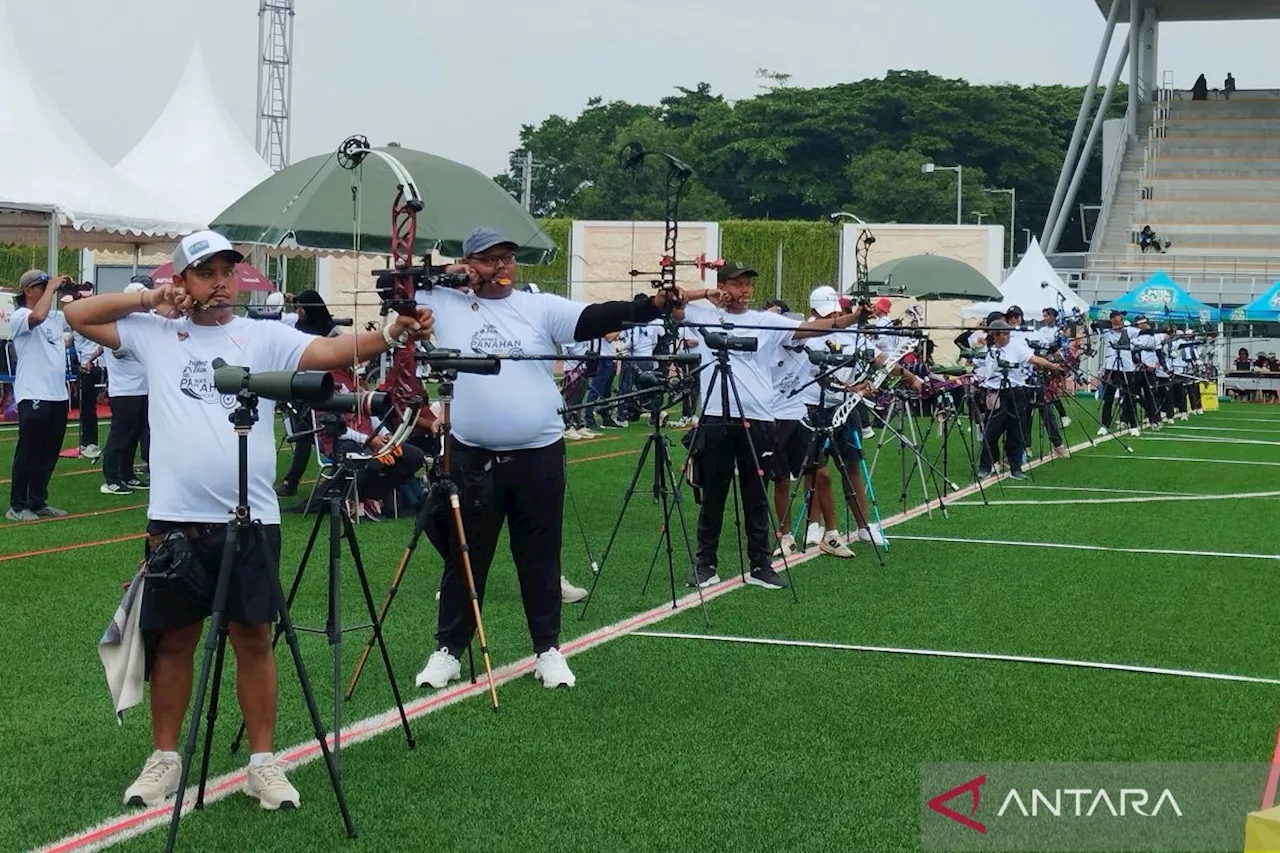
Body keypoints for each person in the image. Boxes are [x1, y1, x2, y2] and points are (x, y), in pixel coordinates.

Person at [64, 230, 434, 811]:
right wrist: (148, 300)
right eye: (206, 273)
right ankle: (165, 758)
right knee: (174, 643)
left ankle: (263, 763)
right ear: (182, 281)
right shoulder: (154, 333)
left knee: (255, 638)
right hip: (175, 520)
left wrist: (390, 332)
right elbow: (77, 313)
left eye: (227, 273)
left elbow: (330, 353)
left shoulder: (259, 336)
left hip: (253, 514)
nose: (221, 284)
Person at [411, 227, 683, 692]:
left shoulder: (538, 306)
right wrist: (450, 274)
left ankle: (548, 650)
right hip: (472, 455)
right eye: (490, 259)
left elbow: (599, 316)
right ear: (468, 262)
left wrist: (652, 306)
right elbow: (398, 287)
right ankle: (449, 651)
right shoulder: (442, 301)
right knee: (464, 555)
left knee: (538, 554)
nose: (502, 267)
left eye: (508, 259)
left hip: (537, 451)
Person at [677, 266, 888, 591]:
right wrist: (705, 294)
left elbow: (818, 327)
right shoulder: (702, 314)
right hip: (717, 415)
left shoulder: (767, 321)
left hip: (759, 418)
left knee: (756, 494)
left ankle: (761, 565)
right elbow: (669, 302)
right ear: (722, 286)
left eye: (747, 285)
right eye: (737, 284)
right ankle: (706, 565)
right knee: (714, 494)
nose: (744, 290)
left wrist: (856, 316)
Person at [8, 270, 74, 521]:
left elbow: (80, 316)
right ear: (28, 291)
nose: (50, 289)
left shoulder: (55, 317)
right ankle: (18, 505)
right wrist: (51, 289)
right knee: (29, 451)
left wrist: (74, 293)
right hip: (34, 393)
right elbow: (37, 316)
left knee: (49, 452)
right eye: (42, 286)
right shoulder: (21, 315)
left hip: (57, 395)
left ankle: (37, 501)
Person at [975, 319, 1062, 480]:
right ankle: (985, 467)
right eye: (1004, 334)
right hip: (995, 393)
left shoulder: (1016, 346)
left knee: (1016, 431)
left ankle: (1016, 467)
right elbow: (975, 363)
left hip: (1015, 392)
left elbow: (1034, 359)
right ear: (995, 335)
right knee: (991, 432)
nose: (1008, 336)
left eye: (1008, 333)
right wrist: (979, 348)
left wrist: (1052, 366)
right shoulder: (986, 349)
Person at [274, 290, 340, 497]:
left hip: (323, 389)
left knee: (307, 435)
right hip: (299, 387)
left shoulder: (331, 332)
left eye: (302, 308)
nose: (298, 312)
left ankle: (292, 482)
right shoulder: (296, 327)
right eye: (297, 307)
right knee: (302, 433)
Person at [99, 282, 152, 495]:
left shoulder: (138, 323)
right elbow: (117, 351)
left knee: (134, 434)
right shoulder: (117, 324)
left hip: (141, 387)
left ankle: (127, 474)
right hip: (125, 389)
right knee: (120, 435)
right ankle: (111, 478)